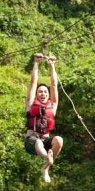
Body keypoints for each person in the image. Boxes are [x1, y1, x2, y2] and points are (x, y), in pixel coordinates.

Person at [25, 53, 63, 182]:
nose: (43, 93)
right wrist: (36, 63)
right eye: (40, 91)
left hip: (45, 142)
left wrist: (52, 65)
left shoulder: (52, 105)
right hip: (31, 142)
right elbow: (33, 83)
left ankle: (45, 168)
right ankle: (48, 157)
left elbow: (53, 85)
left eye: (45, 92)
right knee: (38, 142)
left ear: (48, 95)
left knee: (59, 140)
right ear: (36, 95)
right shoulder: (31, 104)